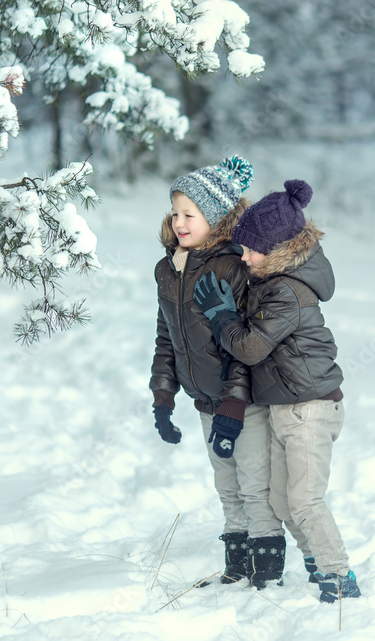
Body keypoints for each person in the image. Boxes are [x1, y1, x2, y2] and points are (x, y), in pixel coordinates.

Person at [192, 178, 361, 604]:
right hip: (287, 408)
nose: (243, 256)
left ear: (279, 249)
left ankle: (339, 578)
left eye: (251, 249)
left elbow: (249, 347)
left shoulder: (286, 290)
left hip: (310, 409)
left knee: (304, 501)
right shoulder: (271, 281)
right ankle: (316, 564)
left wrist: (221, 316)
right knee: (283, 503)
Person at [149, 156, 286, 588]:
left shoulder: (232, 267)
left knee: (254, 486)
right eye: (176, 212)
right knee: (226, 485)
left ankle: (266, 572)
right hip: (205, 400)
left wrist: (233, 404)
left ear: (216, 217)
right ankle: (238, 567)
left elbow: (246, 346)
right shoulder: (168, 269)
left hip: (242, 402)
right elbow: (166, 339)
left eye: (190, 213)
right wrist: (163, 398)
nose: (180, 221)